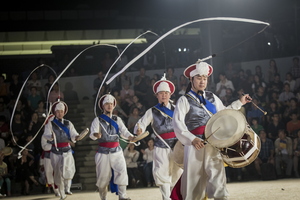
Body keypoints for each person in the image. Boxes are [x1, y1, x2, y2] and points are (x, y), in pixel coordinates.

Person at [172, 61, 251, 200]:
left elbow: (223, 114)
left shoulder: (212, 97)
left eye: (205, 78)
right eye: (199, 78)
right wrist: (192, 139)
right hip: (194, 145)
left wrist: (240, 102)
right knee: (193, 181)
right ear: (191, 80)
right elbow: (177, 124)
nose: (202, 81)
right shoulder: (184, 100)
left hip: (213, 143)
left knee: (217, 176)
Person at [134, 74, 183, 200]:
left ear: (170, 94)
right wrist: (139, 129)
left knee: (178, 174)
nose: (164, 95)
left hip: (177, 146)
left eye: (166, 93)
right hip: (161, 145)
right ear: (157, 95)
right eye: (161, 93)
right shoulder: (152, 111)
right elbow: (141, 123)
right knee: (162, 174)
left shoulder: (177, 109)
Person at [89, 94, 135, 200]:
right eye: (107, 104)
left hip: (117, 150)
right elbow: (92, 134)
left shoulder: (117, 119)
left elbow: (124, 131)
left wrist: (130, 137)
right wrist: (96, 135)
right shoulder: (98, 120)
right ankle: (103, 197)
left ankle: (122, 196)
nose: (109, 106)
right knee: (103, 177)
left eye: (111, 104)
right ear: (103, 106)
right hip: (103, 152)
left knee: (122, 171)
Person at [42, 101, 79, 200]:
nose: (59, 113)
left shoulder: (68, 123)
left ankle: (67, 188)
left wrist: (76, 137)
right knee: (58, 173)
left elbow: (74, 134)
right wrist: (51, 136)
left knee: (67, 171)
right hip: (55, 151)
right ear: (55, 112)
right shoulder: (50, 124)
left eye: (61, 111)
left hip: (67, 151)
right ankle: (62, 194)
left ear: (64, 112)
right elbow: (46, 135)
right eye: (58, 111)